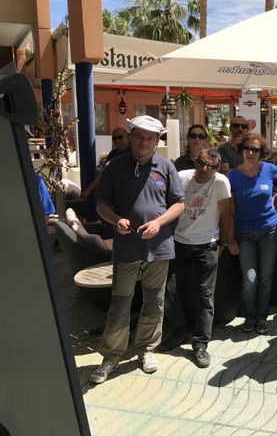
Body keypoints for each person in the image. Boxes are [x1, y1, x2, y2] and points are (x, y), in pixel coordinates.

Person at [90, 115, 185, 384]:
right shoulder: (115, 167)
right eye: (139, 136)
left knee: (154, 301)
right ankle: (111, 355)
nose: (144, 141)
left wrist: (158, 223)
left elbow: (179, 203)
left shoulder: (166, 166)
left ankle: (146, 349)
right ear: (131, 137)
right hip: (127, 247)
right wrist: (115, 220)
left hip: (159, 246)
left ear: (157, 141)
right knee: (120, 303)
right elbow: (101, 204)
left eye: (150, 137)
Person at [165, 148, 235, 368]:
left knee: (205, 296)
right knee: (170, 291)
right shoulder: (181, 177)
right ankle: (178, 331)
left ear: (218, 168)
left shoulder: (221, 182)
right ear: (195, 162)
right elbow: (170, 207)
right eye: (201, 163)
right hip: (179, 242)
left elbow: (226, 213)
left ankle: (201, 343)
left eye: (211, 166)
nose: (205, 169)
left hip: (207, 244)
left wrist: (223, 243)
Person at [228, 133, 277, 334]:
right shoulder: (232, 176)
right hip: (244, 233)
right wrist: (230, 238)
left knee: (266, 277)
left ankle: (261, 316)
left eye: (255, 150)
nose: (251, 153)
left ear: (261, 152)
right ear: (241, 151)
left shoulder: (269, 169)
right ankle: (250, 314)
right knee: (250, 279)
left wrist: (276, 193)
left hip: (269, 230)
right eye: (247, 148)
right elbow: (229, 211)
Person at [80, 127, 130, 200]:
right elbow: (104, 174)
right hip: (114, 194)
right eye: (114, 138)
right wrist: (88, 190)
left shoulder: (133, 153)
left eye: (120, 137)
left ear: (128, 138)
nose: (117, 140)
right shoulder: (112, 154)